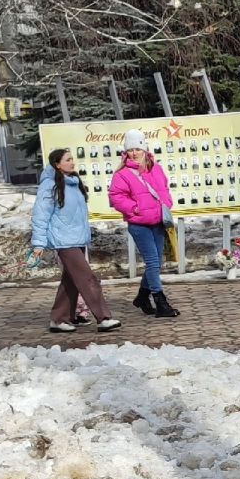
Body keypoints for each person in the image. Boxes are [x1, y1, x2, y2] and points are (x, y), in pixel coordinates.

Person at [32, 149, 121, 333]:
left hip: (78, 239)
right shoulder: (49, 185)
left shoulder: (74, 183)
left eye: (72, 159)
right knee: (88, 278)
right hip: (64, 240)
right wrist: (39, 243)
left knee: (71, 281)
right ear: (57, 164)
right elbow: (40, 215)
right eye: (68, 160)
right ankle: (104, 318)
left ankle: (59, 319)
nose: (73, 163)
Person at [108, 129, 180, 318]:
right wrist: (134, 209)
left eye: (137, 149)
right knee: (153, 261)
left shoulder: (156, 168)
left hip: (157, 221)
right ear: (125, 152)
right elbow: (116, 196)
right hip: (139, 224)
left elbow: (164, 188)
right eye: (130, 149)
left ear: (144, 149)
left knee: (158, 262)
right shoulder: (122, 174)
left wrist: (166, 204)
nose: (134, 153)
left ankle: (142, 297)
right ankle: (160, 301)